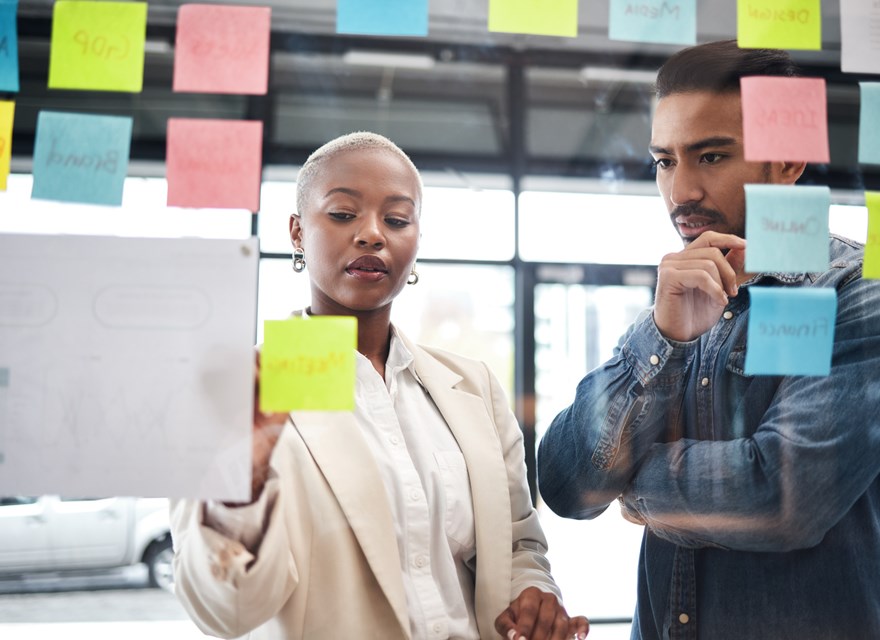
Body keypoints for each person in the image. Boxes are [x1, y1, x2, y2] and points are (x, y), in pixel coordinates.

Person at [170, 132, 589, 640]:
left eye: (396, 220)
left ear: (417, 240)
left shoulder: (473, 386)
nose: (372, 234)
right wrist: (241, 490)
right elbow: (227, 613)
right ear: (297, 233)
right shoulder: (247, 393)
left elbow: (519, 545)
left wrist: (533, 595)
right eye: (343, 213)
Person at [537, 39, 880, 640]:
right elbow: (567, 486)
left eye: (711, 156)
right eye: (664, 161)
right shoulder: (674, 305)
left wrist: (630, 488)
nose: (681, 191)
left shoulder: (856, 294)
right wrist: (662, 334)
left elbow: (781, 498)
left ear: (788, 162)